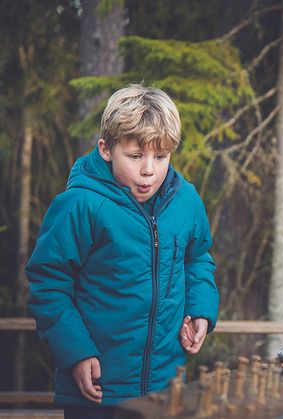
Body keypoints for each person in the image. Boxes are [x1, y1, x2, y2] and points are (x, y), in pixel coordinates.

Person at [26, 85, 220, 419]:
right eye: (135, 156)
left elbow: (197, 259)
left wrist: (200, 310)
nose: (149, 170)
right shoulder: (80, 205)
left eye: (160, 157)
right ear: (106, 149)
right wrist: (76, 353)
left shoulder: (185, 201)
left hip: (164, 388)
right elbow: (48, 285)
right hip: (99, 391)